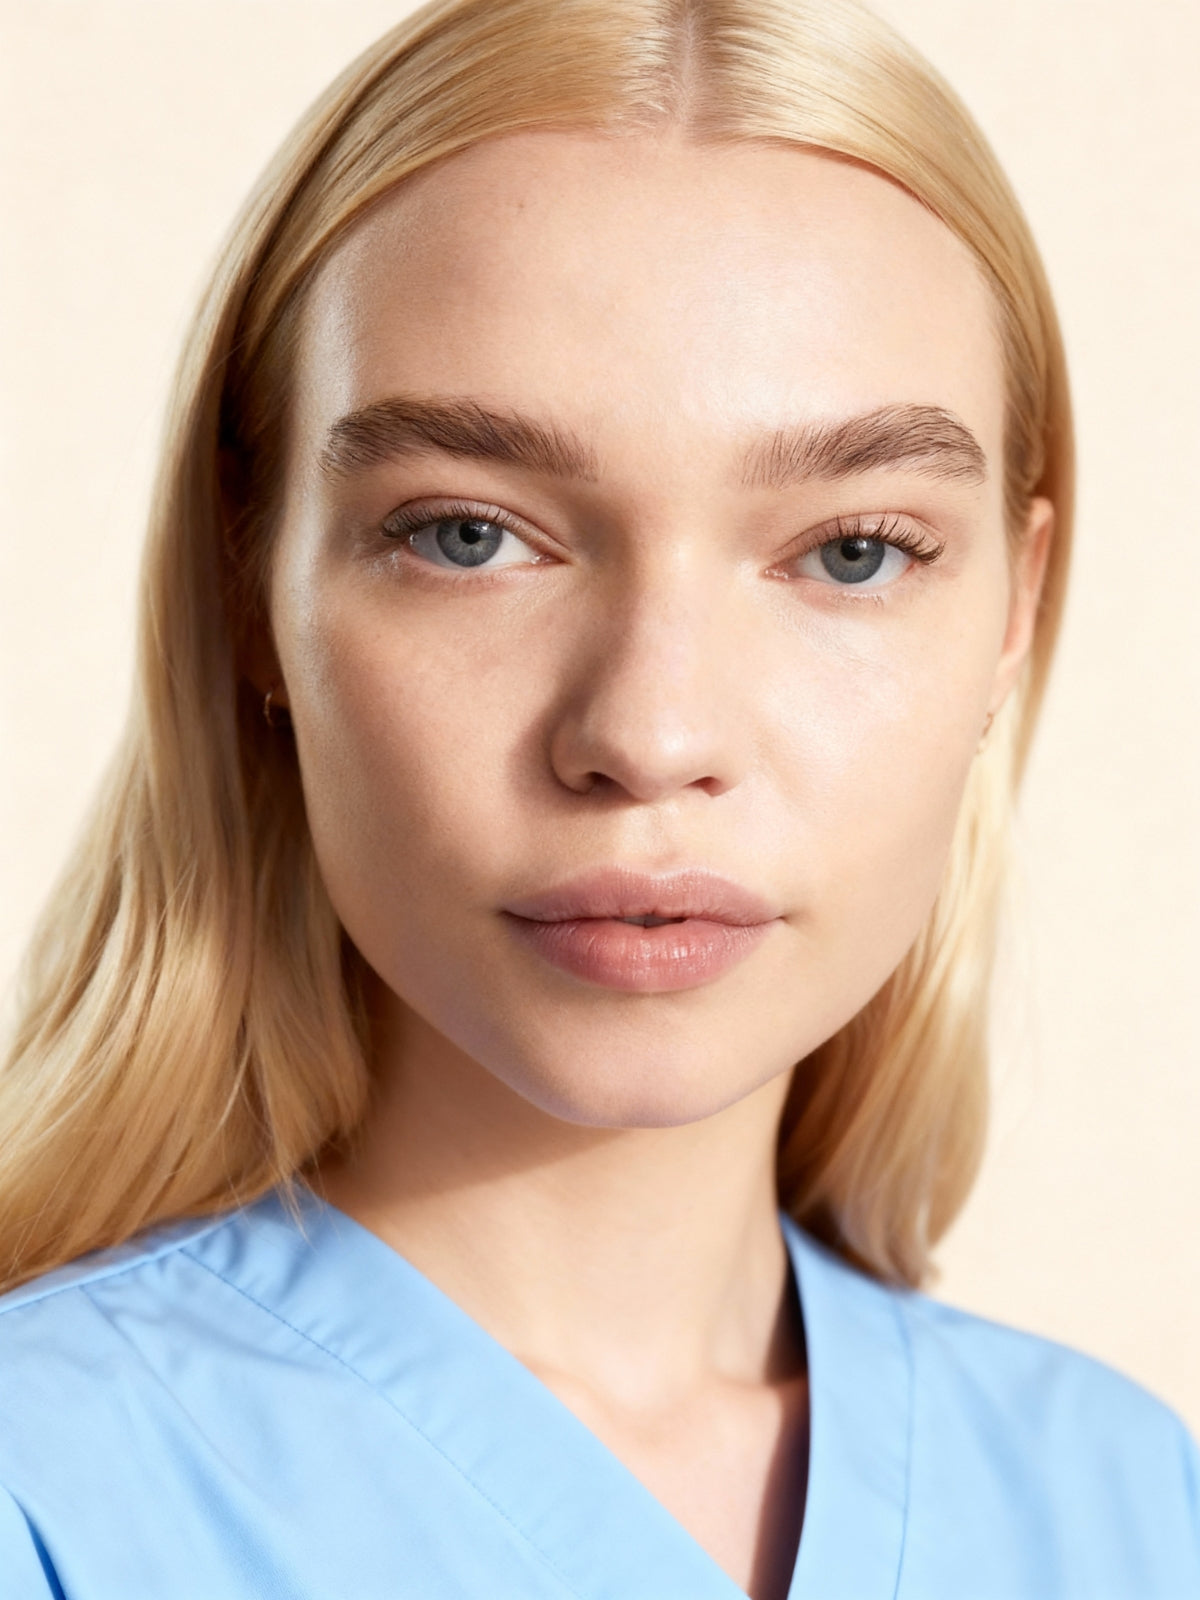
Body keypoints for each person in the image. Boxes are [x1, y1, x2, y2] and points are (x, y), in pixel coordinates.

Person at [0, 0, 1196, 1596]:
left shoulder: (1129, 1505)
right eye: (468, 535)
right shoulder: (49, 1491)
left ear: (1011, 615)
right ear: (249, 590)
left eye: (852, 552)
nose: (650, 731)